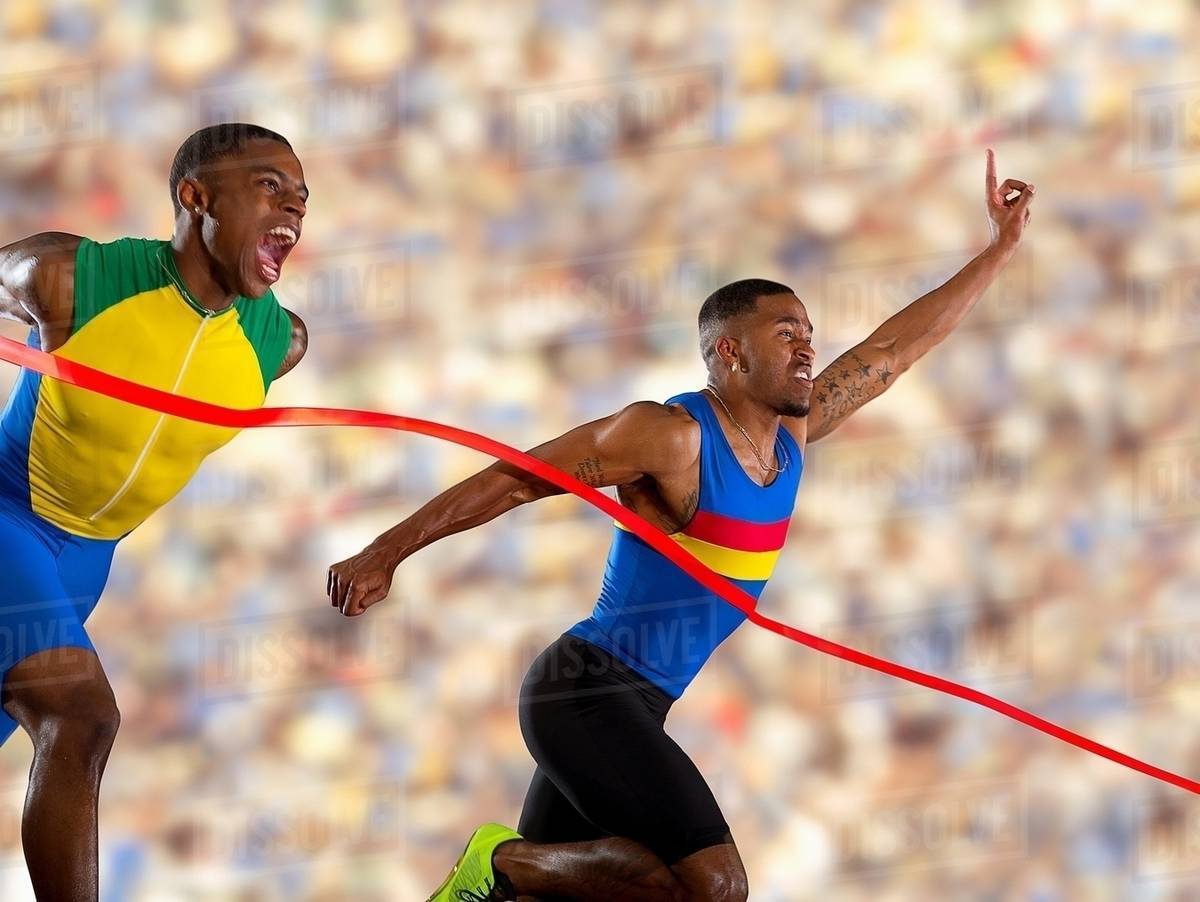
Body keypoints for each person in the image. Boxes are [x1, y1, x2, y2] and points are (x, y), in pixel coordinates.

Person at [327, 150, 1034, 901]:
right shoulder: (670, 437)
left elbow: (893, 351)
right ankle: (496, 861)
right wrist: (387, 549)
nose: (808, 346)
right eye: (787, 333)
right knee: (713, 887)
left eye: (809, 331)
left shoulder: (791, 438)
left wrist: (998, 250)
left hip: (644, 702)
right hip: (584, 690)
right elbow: (516, 477)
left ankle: (506, 884)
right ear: (729, 353)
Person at [0, 122, 309, 901]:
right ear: (195, 198)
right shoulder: (68, 278)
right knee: (80, 717)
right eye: (271, 186)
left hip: (87, 564)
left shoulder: (278, 344)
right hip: (8, 515)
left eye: (302, 199)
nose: (295, 208)